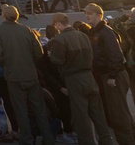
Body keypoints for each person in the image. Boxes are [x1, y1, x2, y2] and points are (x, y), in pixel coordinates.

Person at [0, 4, 56, 145]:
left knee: (21, 111)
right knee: (40, 110)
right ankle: (48, 138)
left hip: (13, 77)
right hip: (31, 75)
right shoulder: (26, 29)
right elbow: (39, 52)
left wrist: (6, 64)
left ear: (4, 16)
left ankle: (26, 140)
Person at [48, 13, 115, 145]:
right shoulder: (83, 36)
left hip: (74, 78)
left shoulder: (60, 39)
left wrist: (51, 55)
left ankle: (87, 142)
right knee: (98, 113)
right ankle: (106, 140)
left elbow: (58, 60)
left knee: (81, 116)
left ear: (58, 24)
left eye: (56, 25)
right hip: (89, 76)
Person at [84, 3, 134, 145]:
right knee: (120, 111)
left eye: (90, 13)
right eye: (86, 13)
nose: (87, 16)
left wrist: (112, 76)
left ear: (99, 15)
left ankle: (127, 142)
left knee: (118, 114)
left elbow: (116, 56)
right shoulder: (96, 32)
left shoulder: (105, 32)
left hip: (114, 76)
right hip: (108, 75)